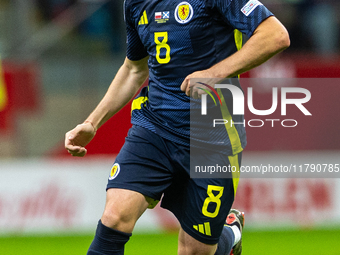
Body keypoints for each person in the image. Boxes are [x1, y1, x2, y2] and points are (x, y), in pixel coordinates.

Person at [65, 0, 290, 254]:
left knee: (195, 250)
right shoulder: (135, 3)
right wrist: (91, 122)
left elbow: (275, 35)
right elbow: (133, 69)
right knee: (115, 216)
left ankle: (229, 234)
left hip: (213, 138)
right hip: (154, 128)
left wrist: (214, 73)